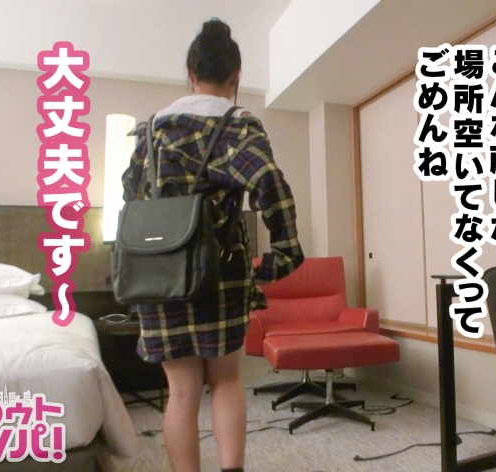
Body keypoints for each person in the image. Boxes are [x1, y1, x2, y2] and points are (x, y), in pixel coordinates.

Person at [120, 17, 304, 472]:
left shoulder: (151, 130)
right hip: (220, 272)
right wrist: (283, 256)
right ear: (236, 76)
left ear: (190, 72)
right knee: (225, 380)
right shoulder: (236, 126)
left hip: (160, 275)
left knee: (182, 392)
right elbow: (269, 182)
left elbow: (131, 193)